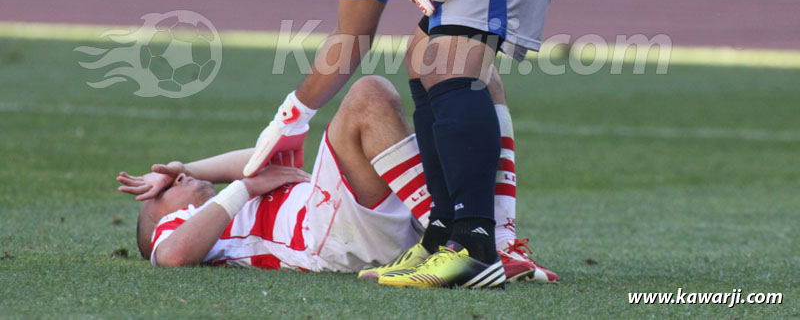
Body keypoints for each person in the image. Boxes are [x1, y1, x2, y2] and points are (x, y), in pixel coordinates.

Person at [232, 0, 584, 288]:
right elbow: (350, 38)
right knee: (425, 58)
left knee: (447, 62)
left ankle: (478, 249)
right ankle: (453, 238)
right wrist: (290, 118)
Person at [116, 76, 556, 286]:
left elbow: (256, 161)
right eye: (174, 188)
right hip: (325, 240)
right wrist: (245, 188)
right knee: (369, 95)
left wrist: (184, 166)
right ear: (161, 218)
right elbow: (173, 256)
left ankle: (497, 242)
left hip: (349, 217)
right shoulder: (185, 227)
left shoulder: (225, 201)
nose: (185, 181)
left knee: (476, 79)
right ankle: (467, 247)